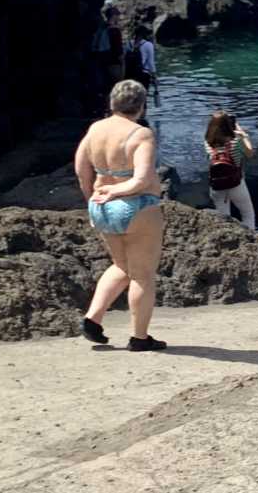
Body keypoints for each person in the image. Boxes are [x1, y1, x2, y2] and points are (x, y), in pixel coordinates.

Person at [75, 80, 166, 351]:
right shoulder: (141, 135)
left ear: (112, 103)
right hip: (135, 206)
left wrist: (94, 195)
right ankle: (140, 338)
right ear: (140, 105)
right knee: (142, 275)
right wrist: (117, 193)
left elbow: (82, 170)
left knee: (121, 266)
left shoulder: (95, 129)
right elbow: (141, 179)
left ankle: (93, 319)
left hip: (100, 206)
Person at [204, 110, 256, 229]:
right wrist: (244, 136)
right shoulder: (236, 141)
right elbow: (249, 153)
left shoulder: (208, 142)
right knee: (247, 214)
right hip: (235, 183)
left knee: (223, 219)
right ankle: (251, 241)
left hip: (216, 184)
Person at [125, 25, 158, 102]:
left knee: (131, 99)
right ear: (144, 35)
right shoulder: (148, 45)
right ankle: (142, 113)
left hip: (129, 75)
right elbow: (151, 63)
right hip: (143, 75)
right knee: (142, 100)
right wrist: (155, 77)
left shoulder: (128, 44)